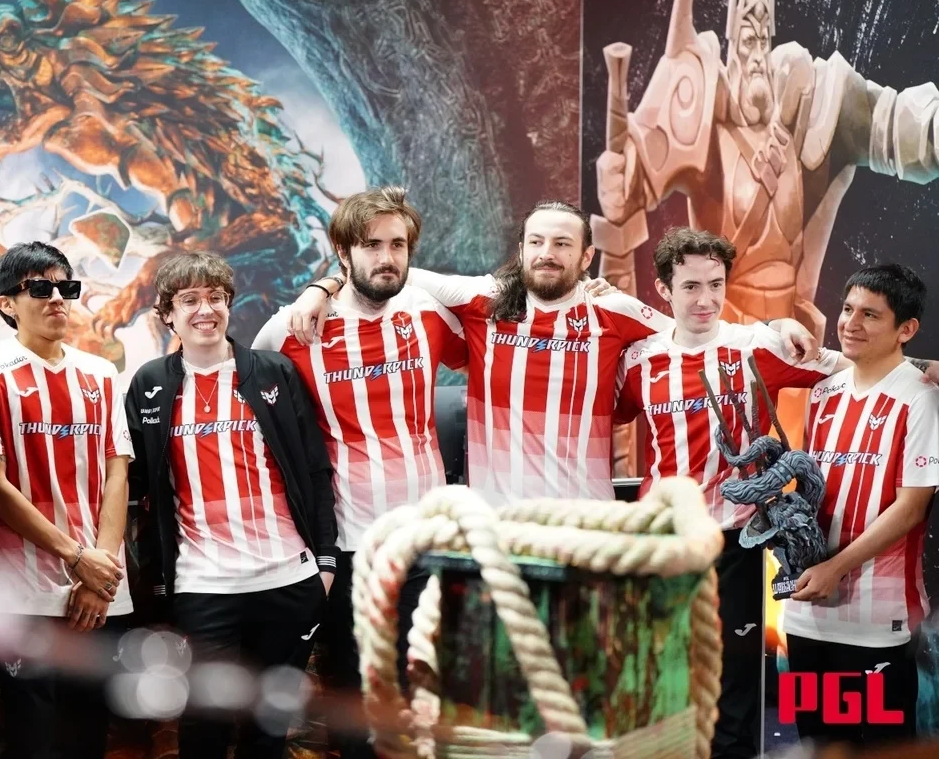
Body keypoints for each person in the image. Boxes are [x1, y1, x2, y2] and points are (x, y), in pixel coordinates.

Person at [288, 201, 814, 505]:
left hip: (586, 527)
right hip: (498, 531)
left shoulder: (614, 310)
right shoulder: (482, 299)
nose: (547, 254)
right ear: (520, 250)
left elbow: (700, 332)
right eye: (537, 242)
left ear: (586, 256)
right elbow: (386, 272)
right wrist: (324, 286)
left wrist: (772, 327)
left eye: (563, 244)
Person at [252, 186, 467, 758]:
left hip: (426, 538)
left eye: (398, 244)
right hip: (350, 545)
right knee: (355, 690)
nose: (387, 257)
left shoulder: (429, 311)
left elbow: (503, 316)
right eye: (372, 245)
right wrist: (321, 289)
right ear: (343, 252)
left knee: (427, 685)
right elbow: (248, 399)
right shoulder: (291, 328)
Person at [614, 228, 843, 759]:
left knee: (736, 677)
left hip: (736, 540)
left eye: (715, 284)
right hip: (666, 538)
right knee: (666, 671)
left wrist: (925, 371)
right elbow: (605, 409)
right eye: (691, 286)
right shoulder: (639, 361)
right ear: (663, 289)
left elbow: (850, 366)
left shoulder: (757, 346)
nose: (706, 299)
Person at [125, 251, 337, 759]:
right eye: (190, 300)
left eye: (216, 298)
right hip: (204, 584)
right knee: (205, 727)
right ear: (167, 314)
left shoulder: (273, 372)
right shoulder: (150, 384)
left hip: (288, 578)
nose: (206, 310)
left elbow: (314, 469)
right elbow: (134, 485)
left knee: (269, 728)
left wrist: (325, 565)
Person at [0, 242, 133, 759]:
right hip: (24, 594)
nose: (58, 298)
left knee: (89, 735)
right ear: (6, 303)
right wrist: (77, 557)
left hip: (100, 589)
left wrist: (101, 573)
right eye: (41, 288)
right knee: (33, 739)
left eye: (67, 287)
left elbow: (117, 470)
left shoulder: (101, 373)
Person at [781, 264, 939, 749]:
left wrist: (836, 567)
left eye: (870, 315)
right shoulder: (823, 392)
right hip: (806, 614)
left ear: (906, 330)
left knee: (879, 752)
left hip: (877, 622)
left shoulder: (922, 399)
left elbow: (911, 509)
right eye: (848, 309)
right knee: (817, 747)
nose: (851, 323)